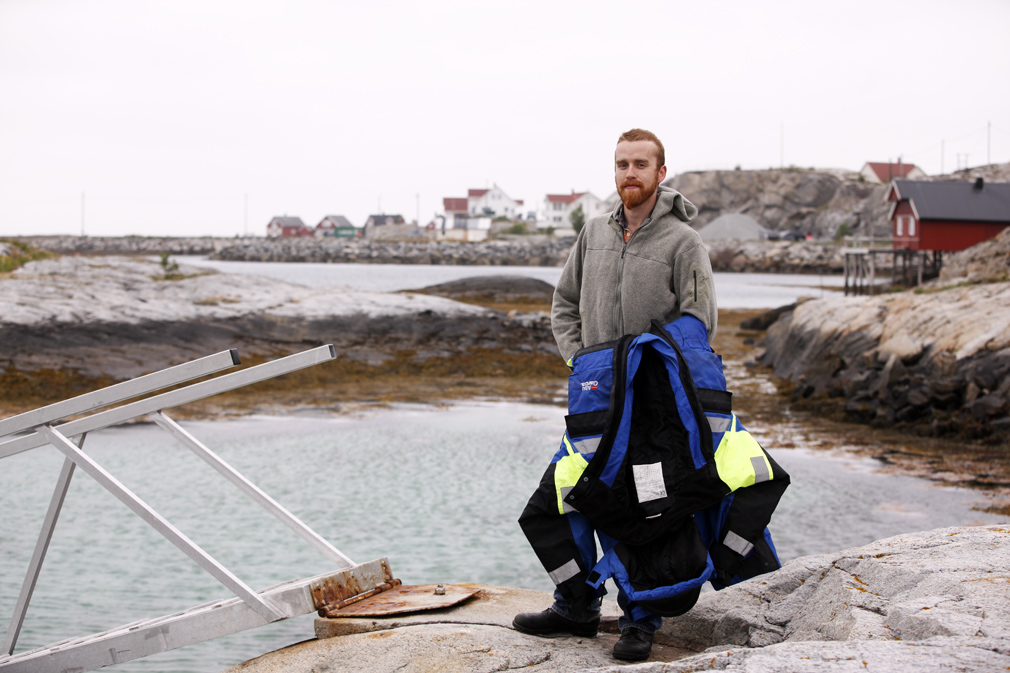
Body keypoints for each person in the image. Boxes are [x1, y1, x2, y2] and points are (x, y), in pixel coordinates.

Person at [513, 128, 718, 662]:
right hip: (593, 401)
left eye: (640, 165)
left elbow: (698, 326)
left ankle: (639, 619)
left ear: (660, 173)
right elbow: (564, 302)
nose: (630, 173)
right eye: (622, 164)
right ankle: (576, 604)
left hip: (651, 409)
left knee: (643, 509)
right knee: (556, 504)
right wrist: (583, 360)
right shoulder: (593, 234)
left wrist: (652, 378)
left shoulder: (683, 243)